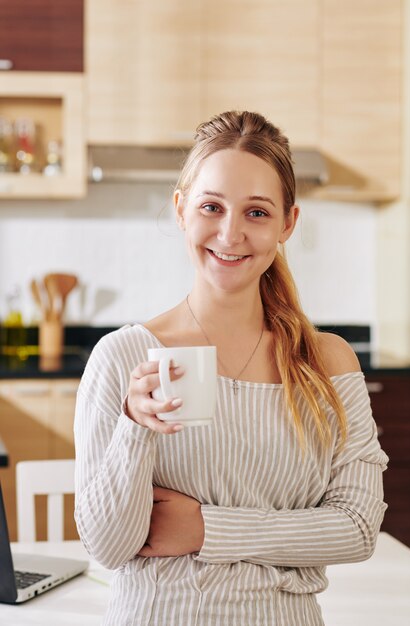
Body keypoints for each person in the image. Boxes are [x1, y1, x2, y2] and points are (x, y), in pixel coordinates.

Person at [74, 110, 388, 625]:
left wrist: (204, 528)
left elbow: (356, 529)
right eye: (211, 206)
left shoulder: (328, 364)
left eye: (257, 213)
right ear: (181, 210)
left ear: (288, 223)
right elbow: (109, 547)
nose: (229, 233)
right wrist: (135, 429)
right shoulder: (124, 358)